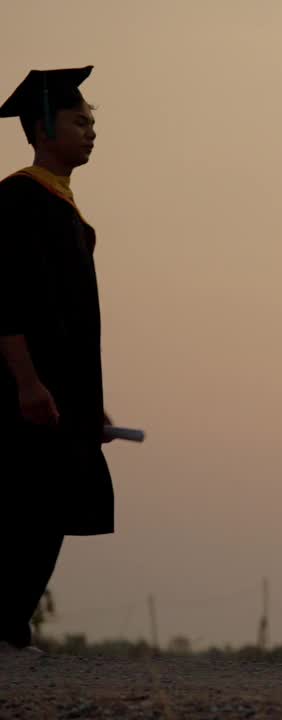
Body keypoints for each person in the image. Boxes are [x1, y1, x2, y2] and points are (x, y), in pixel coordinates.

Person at [0, 66, 116, 651]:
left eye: (93, 122)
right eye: (79, 121)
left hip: (57, 394)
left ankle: (10, 626)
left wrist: (89, 405)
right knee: (22, 508)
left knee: (47, 509)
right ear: (43, 127)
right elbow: (5, 299)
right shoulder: (18, 198)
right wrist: (25, 380)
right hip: (23, 391)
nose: (91, 131)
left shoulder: (63, 207)